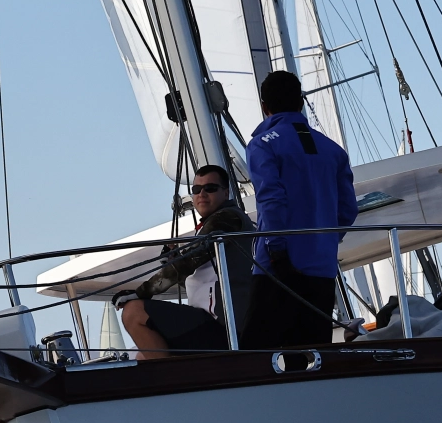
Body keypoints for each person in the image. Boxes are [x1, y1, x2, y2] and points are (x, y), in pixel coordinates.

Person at [240, 70, 358, 348]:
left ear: (264, 106)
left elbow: (271, 198)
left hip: (278, 266)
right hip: (322, 266)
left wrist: (277, 248)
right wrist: (324, 240)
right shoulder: (333, 150)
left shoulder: (261, 146)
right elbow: (347, 210)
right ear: (301, 102)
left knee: (253, 356)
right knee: (312, 354)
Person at [115, 164, 252, 359]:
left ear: (226, 192)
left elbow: (188, 262)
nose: (202, 194)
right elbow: (197, 279)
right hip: (211, 324)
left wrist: (141, 293)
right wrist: (171, 260)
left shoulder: (227, 218)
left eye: (210, 188)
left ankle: (169, 379)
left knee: (133, 313)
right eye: (196, 189)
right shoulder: (212, 225)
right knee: (142, 355)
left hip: (224, 328)